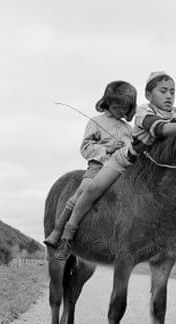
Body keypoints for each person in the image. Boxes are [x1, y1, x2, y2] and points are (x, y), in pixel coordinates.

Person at [51, 71, 176, 260]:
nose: (169, 95)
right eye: (164, 91)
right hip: (120, 161)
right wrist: (109, 148)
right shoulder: (141, 113)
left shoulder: (136, 125)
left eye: (172, 91)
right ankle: (66, 234)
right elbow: (160, 128)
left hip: (141, 168)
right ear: (148, 96)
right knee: (91, 188)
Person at [44, 80, 137, 254]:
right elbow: (85, 148)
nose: (120, 110)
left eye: (125, 107)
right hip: (98, 166)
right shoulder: (96, 122)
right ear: (108, 102)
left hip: (122, 169)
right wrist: (107, 148)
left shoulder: (128, 129)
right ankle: (61, 232)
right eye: (117, 106)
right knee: (82, 191)